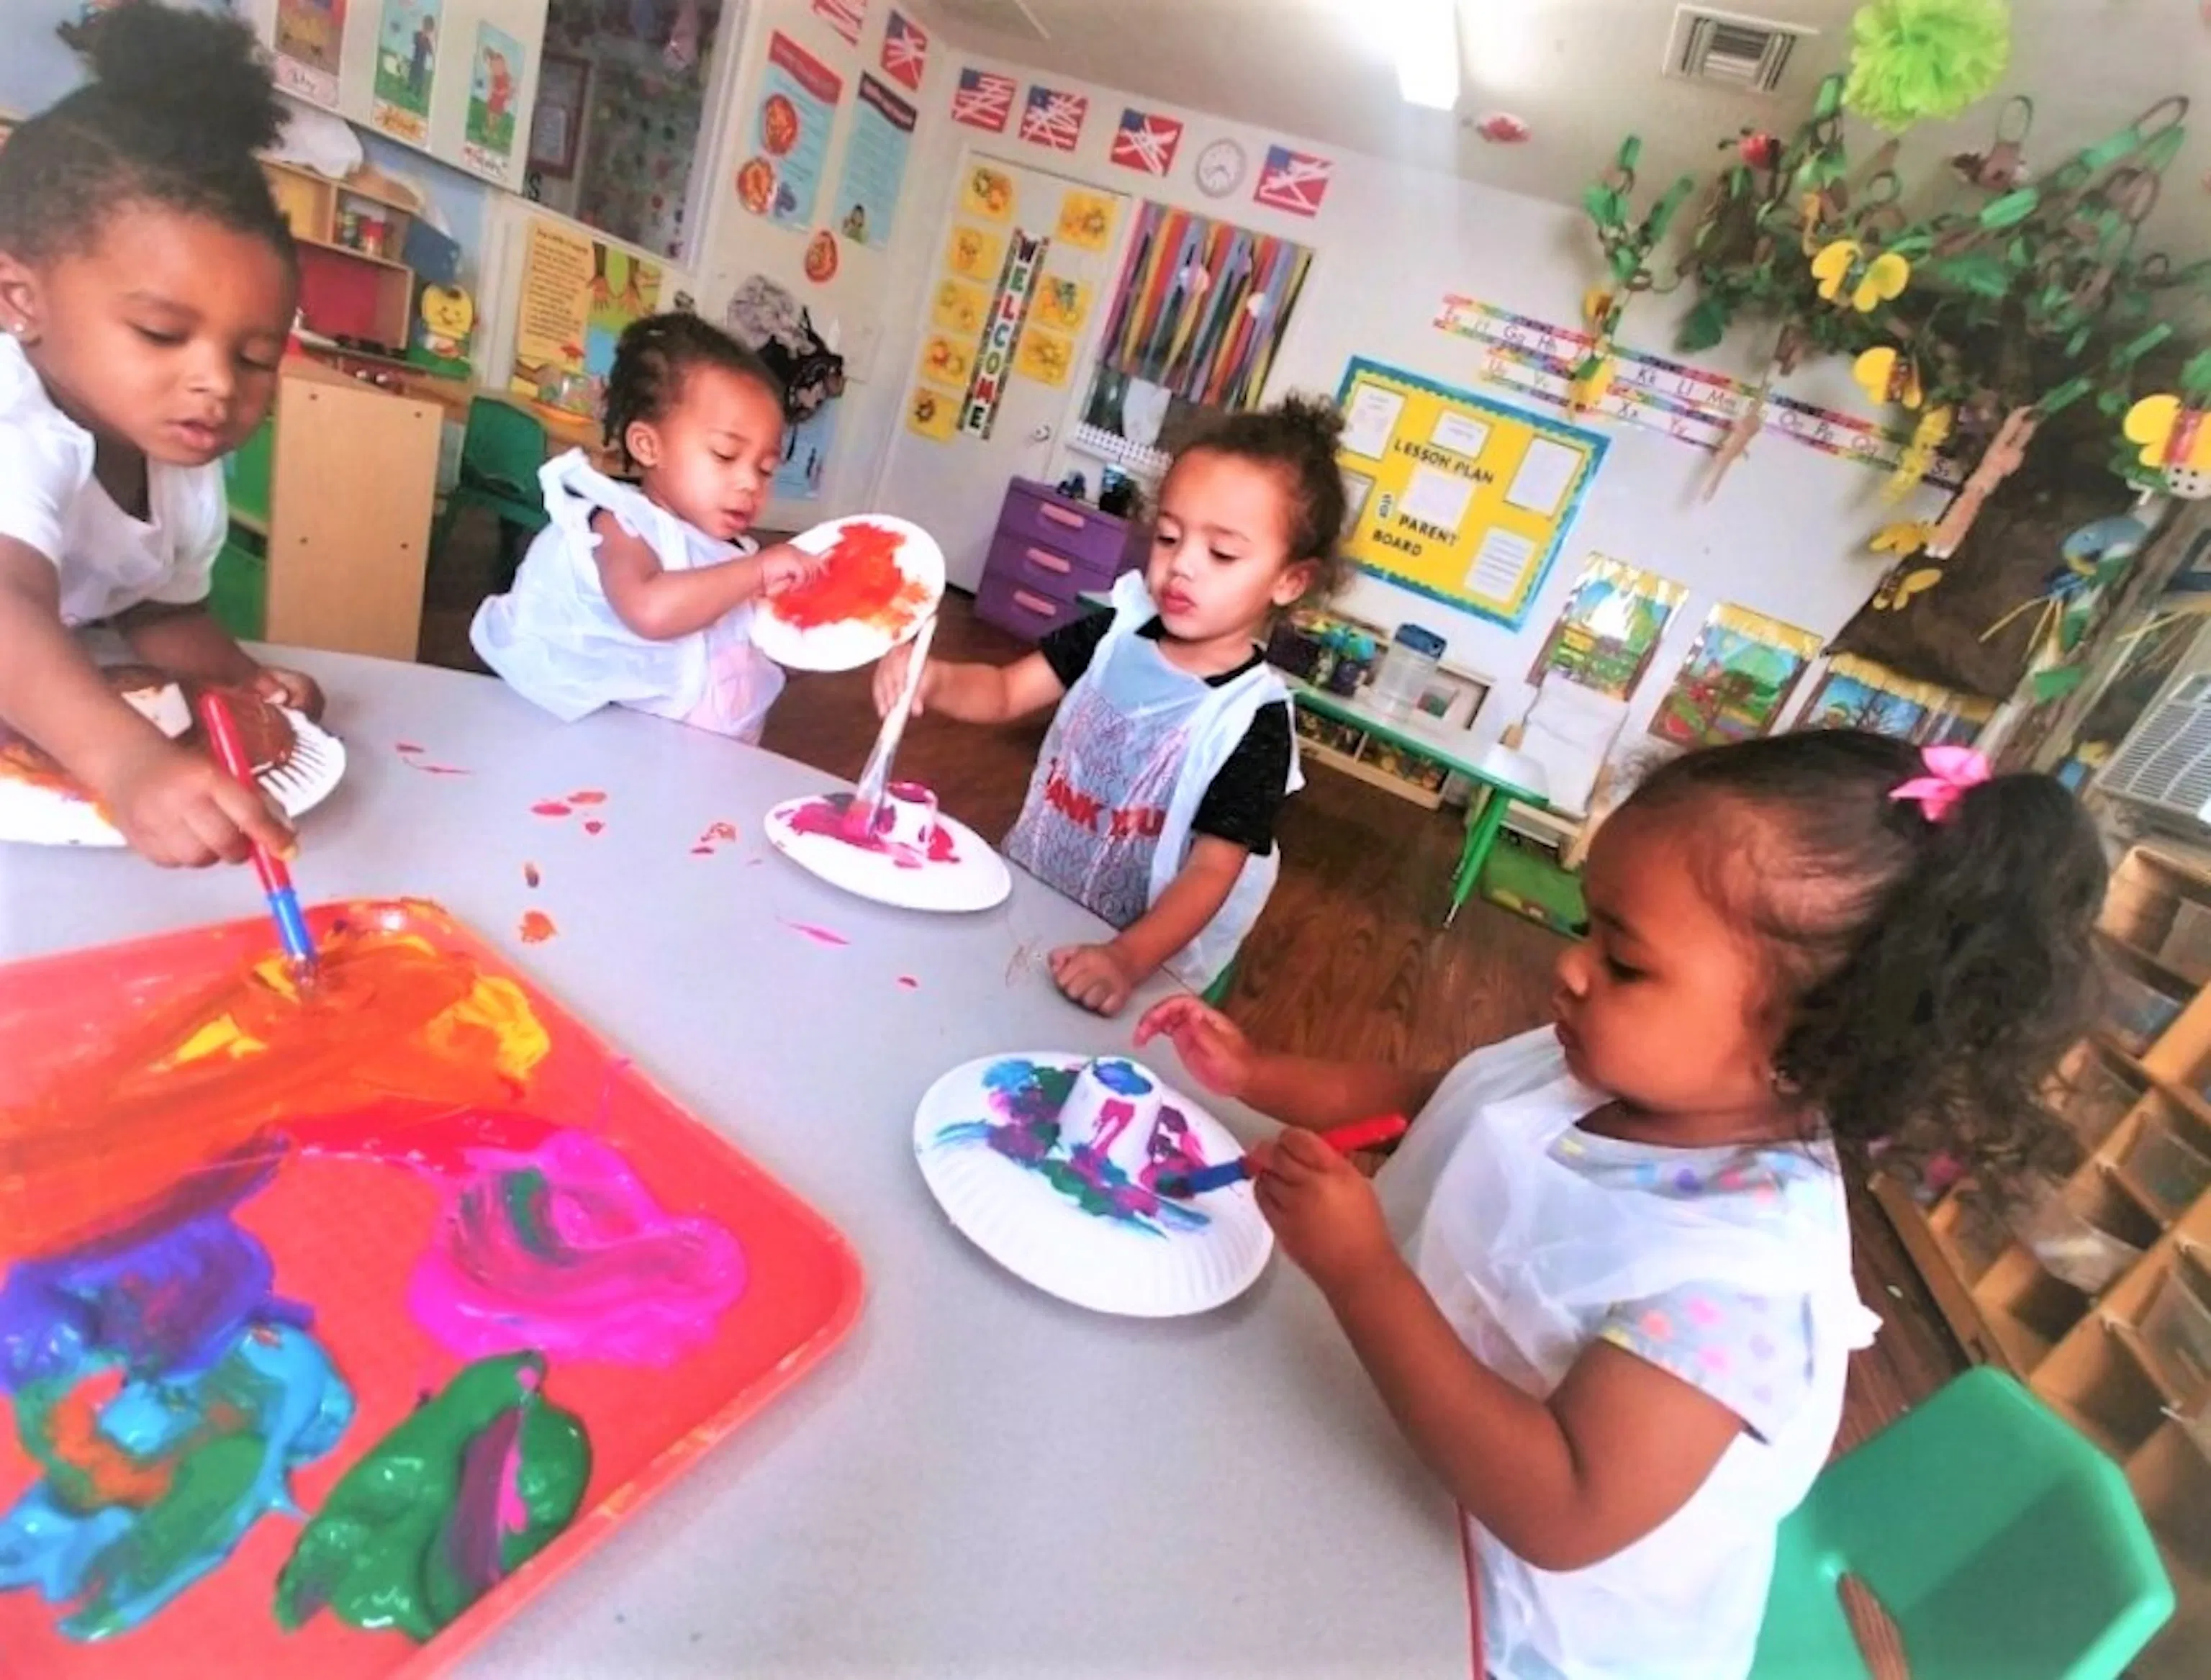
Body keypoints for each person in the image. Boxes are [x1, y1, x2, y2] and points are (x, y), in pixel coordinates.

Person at [1136, 731, 2104, 1679]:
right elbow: (1438, 1094)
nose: (1571, 967)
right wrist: (1256, 1072)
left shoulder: (1743, 1282)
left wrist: (1361, 1271)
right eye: (1585, 927)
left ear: (1815, 1041)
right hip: (1391, 1448)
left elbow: (1563, 1508)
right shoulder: (1604, 1063)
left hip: (1508, 1622)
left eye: (1626, 962)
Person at [873, 395, 1350, 1016]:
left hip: (1139, 954)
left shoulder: (1251, 721)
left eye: (1222, 554)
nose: (1182, 565)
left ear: (1290, 581)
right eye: (1169, 537)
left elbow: (1212, 870)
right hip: (1035, 889)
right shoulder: (1114, 631)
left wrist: (1127, 958)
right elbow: (1006, 690)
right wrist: (933, 678)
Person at [0, 2, 317, 867]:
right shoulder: (15, 421)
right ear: (21, 300)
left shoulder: (177, 455)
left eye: (254, 357)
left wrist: (243, 684)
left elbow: (157, 607)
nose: (218, 382)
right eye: (162, 334)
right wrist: (129, 762)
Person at [472, 312, 818, 742]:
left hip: (705, 756)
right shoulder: (622, 527)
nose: (750, 483)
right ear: (648, 446)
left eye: (766, 469)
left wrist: (800, 641)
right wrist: (758, 573)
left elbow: (741, 640)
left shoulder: (733, 554)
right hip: (613, 752)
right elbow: (649, 610)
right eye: (725, 455)